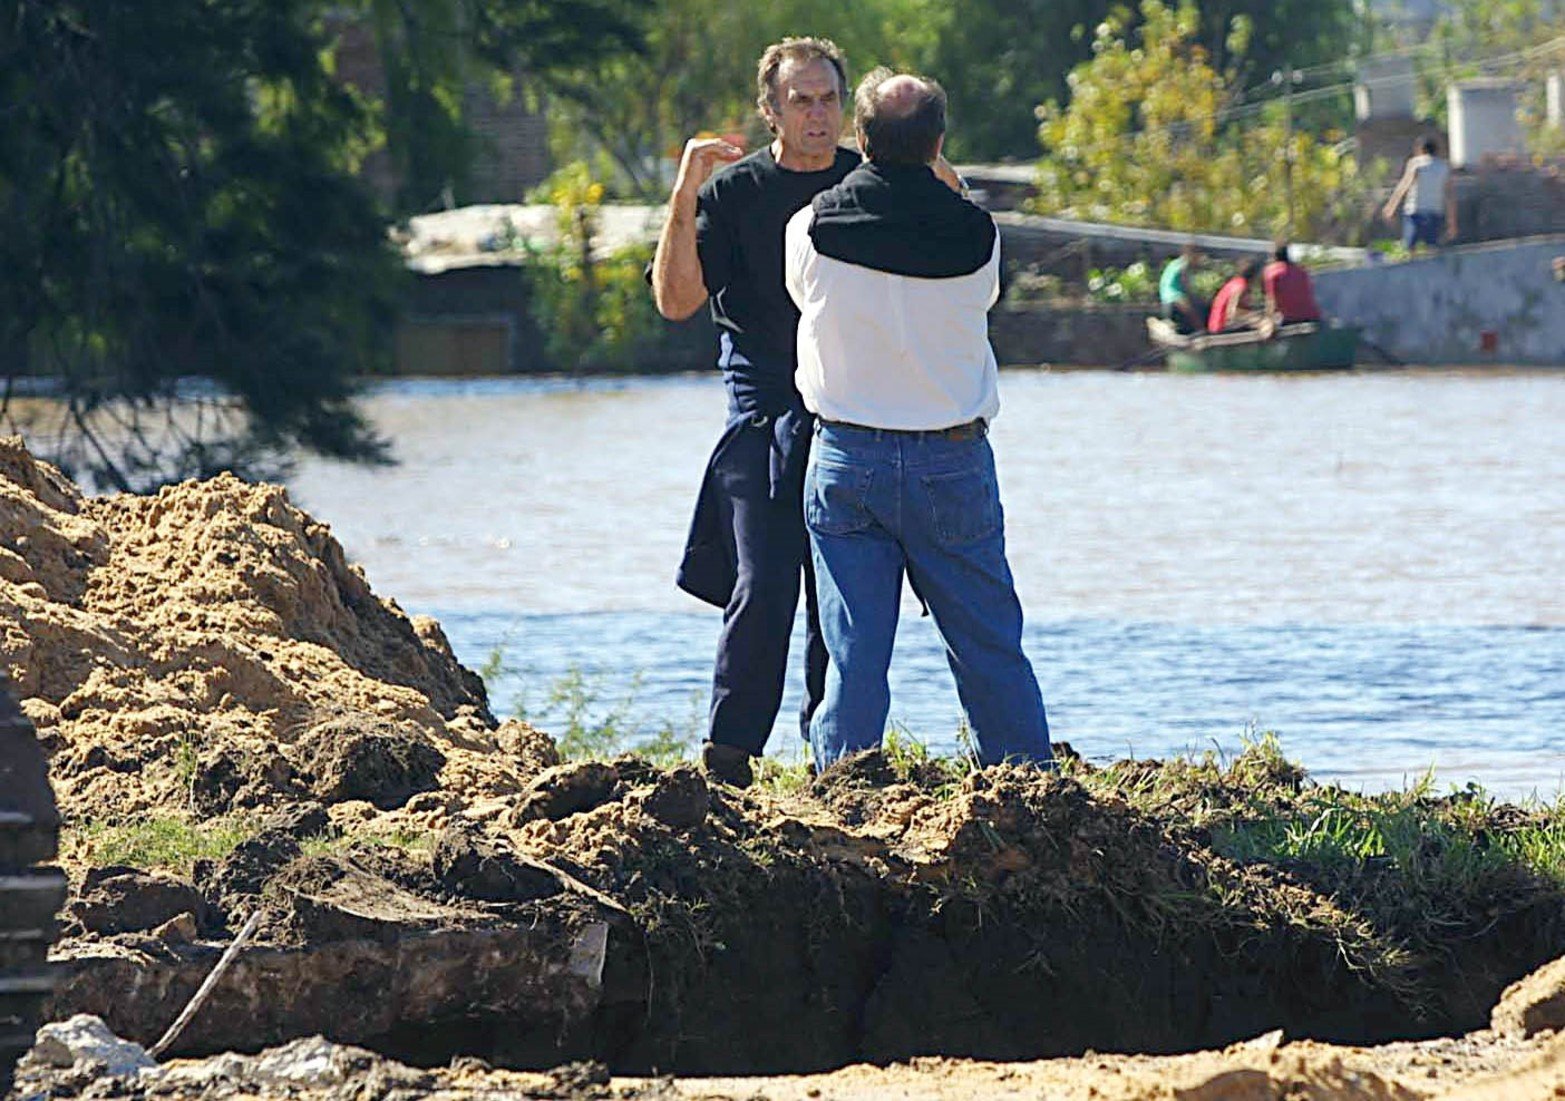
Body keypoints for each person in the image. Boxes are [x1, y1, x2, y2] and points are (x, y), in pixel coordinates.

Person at [784, 67, 1054, 772]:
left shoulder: (809, 228)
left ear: (859, 138)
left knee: (854, 653)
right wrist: (941, 173)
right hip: (950, 459)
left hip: (846, 457)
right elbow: (980, 284)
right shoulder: (977, 237)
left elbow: (800, 297)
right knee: (987, 644)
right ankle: (1027, 789)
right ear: (938, 143)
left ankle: (842, 791)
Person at [650, 38, 860, 789]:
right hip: (761, 411)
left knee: (842, 588)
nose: (816, 113)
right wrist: (684, 191)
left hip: (848, 408)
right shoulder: (731, 193)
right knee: (765, 580)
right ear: (769, 111)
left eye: (828, 98)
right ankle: (727, 758)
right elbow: (676, 302)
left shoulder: (864, 185)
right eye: (800, 99)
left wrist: (933, 172)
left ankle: (836, 758)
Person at [1382, 137, 1457, 252]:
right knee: (1432, 249)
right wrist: (1452, 223)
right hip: (1435, 213)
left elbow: (1403, 186)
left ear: (1421, 150)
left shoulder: (1416, 164)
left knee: (1410, 249)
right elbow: (1449, 196)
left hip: (1415, 212)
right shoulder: (1444, 167)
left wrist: (1390, 207)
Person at [1261, 242, 1322, 325]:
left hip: (1291, 320)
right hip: (1313, 317)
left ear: (1273, 256)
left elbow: (1271, 300)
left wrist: (1267, 321)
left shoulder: (1271, 272)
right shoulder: (1302, 271)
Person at [1207, 258, 1266, 333]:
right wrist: (1252, 315)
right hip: (1220, 328)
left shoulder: (1236, 282)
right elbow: (1233, 313)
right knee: (1260, 321)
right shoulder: (1240, 286)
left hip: (1218, 326)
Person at [1159, 243, 1206, 335]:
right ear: (1192, 255)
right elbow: (1186, 289)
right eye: (1198, 257)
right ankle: (1201, 330)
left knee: (1195, 302)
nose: (1199, 260)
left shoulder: (1175, 263)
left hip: (1166, 301)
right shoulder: (1184, 266)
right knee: (1193, 308)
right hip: (1174, 300)